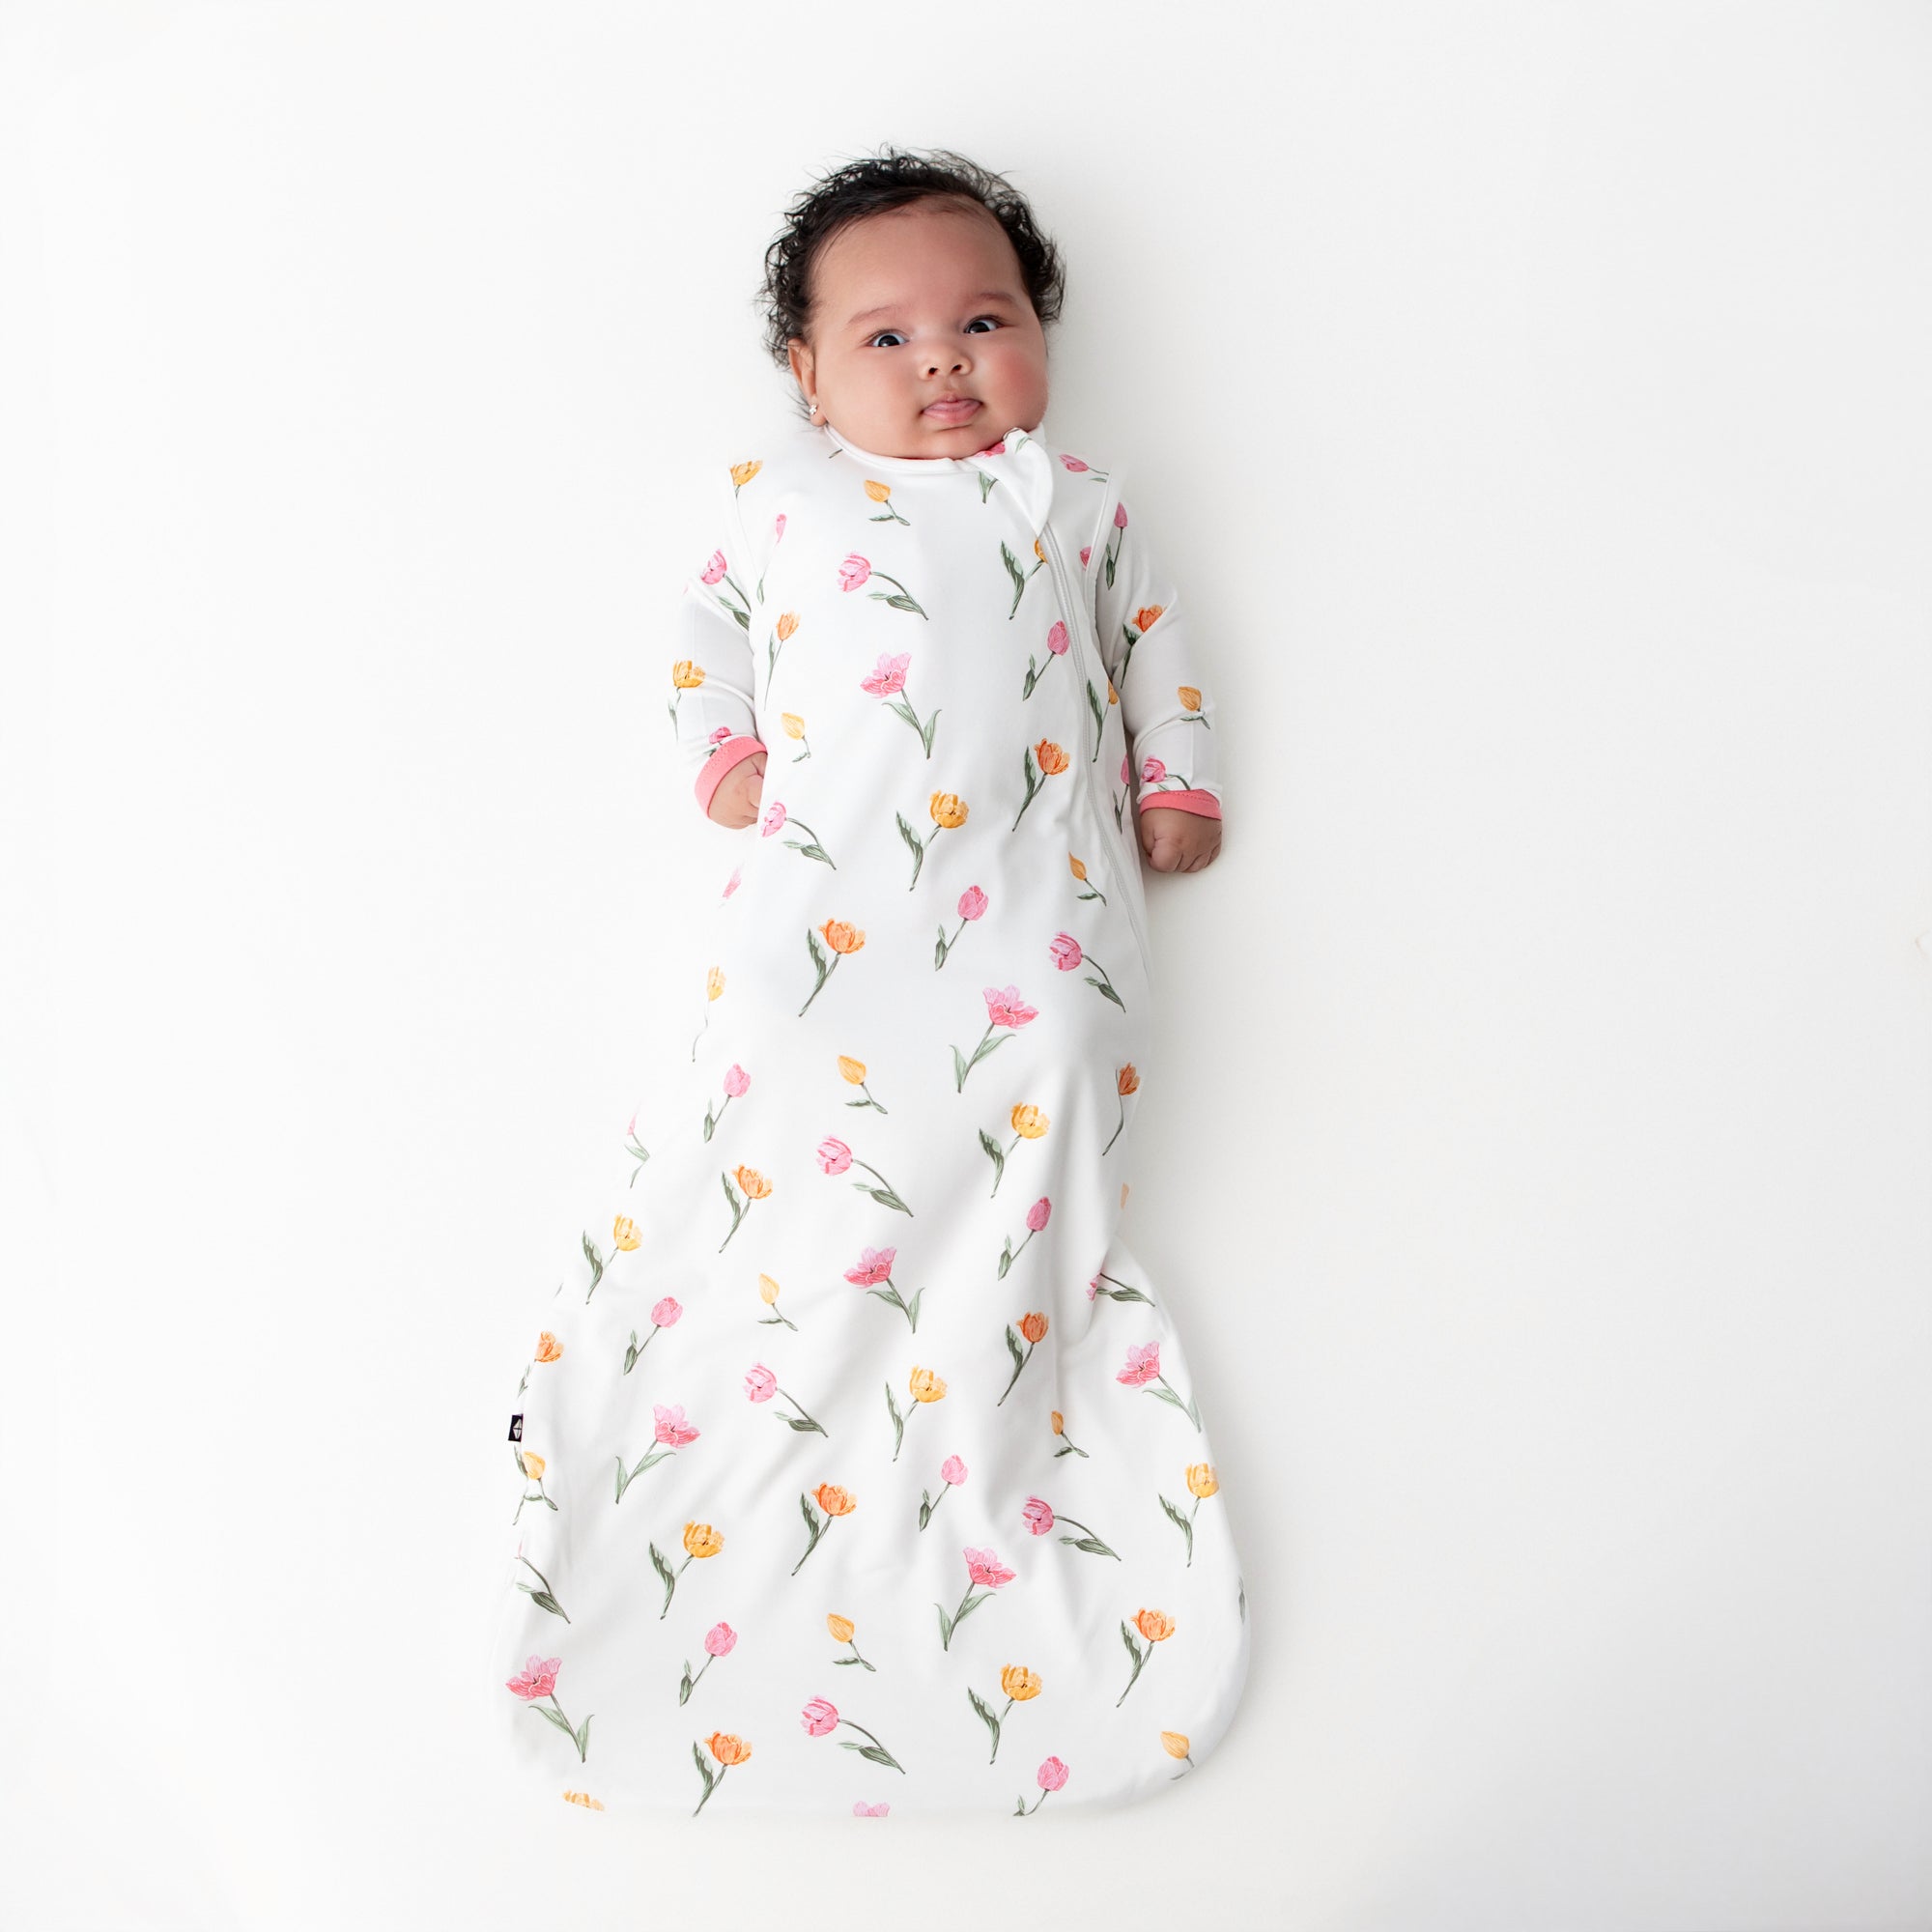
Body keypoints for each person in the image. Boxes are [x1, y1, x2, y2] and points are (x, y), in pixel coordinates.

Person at [484, 146, 1249, 1817]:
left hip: (1040, 914)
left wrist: (1176, 779)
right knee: (755, 1068)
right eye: (889, 340)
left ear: (1039, 341)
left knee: (1042, 1084)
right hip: (824, 916)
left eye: (984, 323)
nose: (947, 364)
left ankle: (989, 1406)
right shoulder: (778, 500)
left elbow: (1155, 643)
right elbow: (704, 634)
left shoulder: (1082, 500)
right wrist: (725, 754)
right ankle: (744, 1398)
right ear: (807, 375)